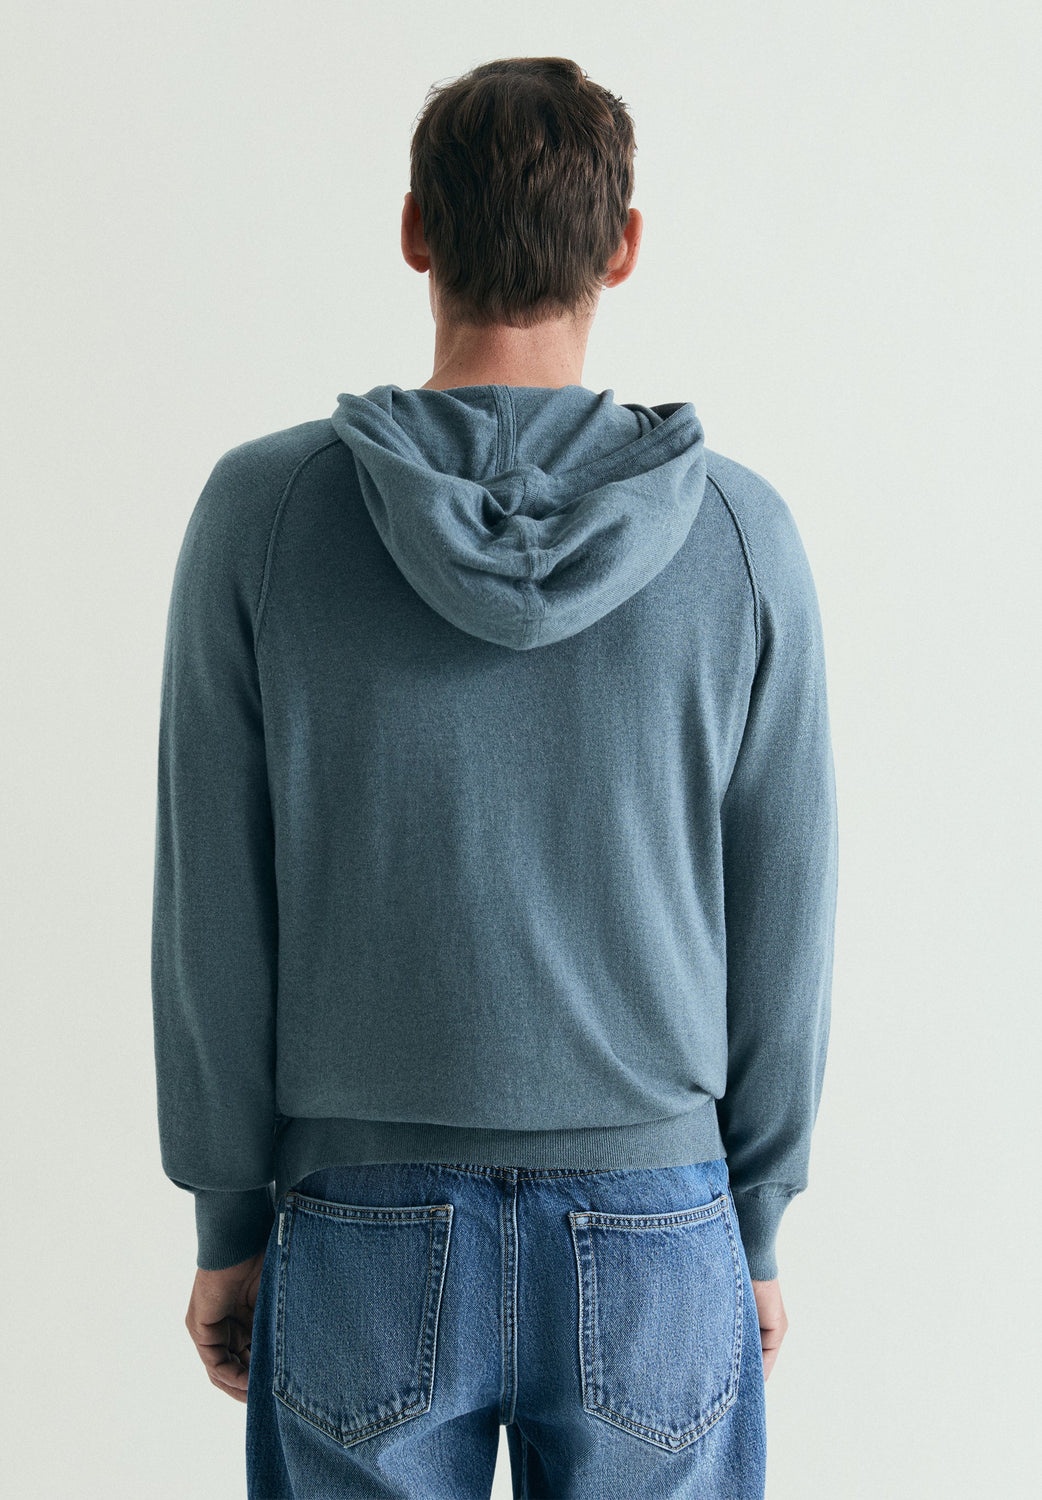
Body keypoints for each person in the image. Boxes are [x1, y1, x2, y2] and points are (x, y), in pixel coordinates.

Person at [151, 55, 839, 1500]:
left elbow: (211, 898)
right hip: (659, 1216)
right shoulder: (737, 535)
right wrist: (755, 1216)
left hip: (358, 1216)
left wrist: (228, 1213)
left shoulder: (265, 515)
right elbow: (788, 913)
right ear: (621, 247)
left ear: (416, 230)